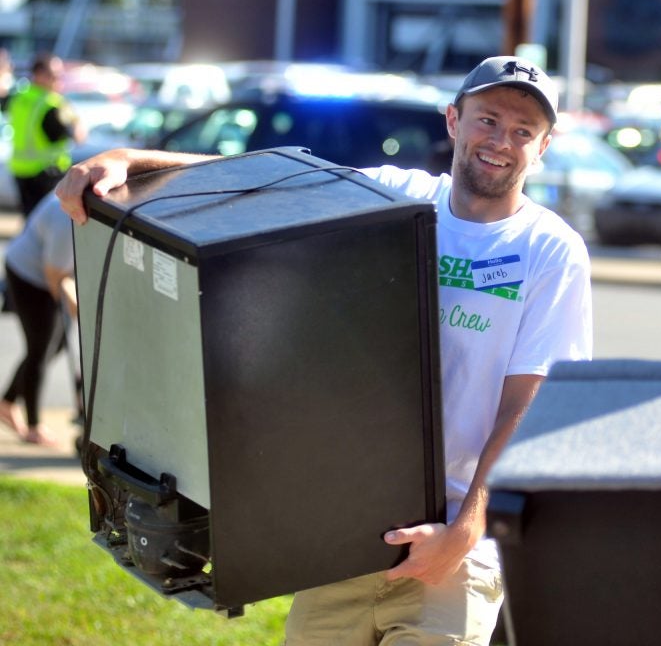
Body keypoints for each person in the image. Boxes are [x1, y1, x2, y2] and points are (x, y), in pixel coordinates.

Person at [55, 55, 594, 645]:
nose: (501, 142)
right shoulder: (394, 195)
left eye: (523, 132)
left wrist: (462, 535)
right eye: (488, 120)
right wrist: (127, 160)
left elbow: (529, 404)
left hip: (454, 554)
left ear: (542, 147)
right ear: (453, 120)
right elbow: (270, 182)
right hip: (350, 535)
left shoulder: (549, 251)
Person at [0, 192, 79, 446]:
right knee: (41, 349)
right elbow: (54, 272)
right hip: (28, 276)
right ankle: (33, 426)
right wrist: (68, 304)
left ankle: (7, 402)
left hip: (49, 271)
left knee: (56, 345)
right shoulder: (66, 216)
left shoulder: (76, 200)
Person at [6, 52, 86, 217]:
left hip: (19, 169)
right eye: (54, 75)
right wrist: (76, 120)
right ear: (39, 75)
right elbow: (77, 137)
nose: (58, 80)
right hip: (46, 171)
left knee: (29, 220)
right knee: (47, 222)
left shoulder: (19, 97)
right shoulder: (52, 104)